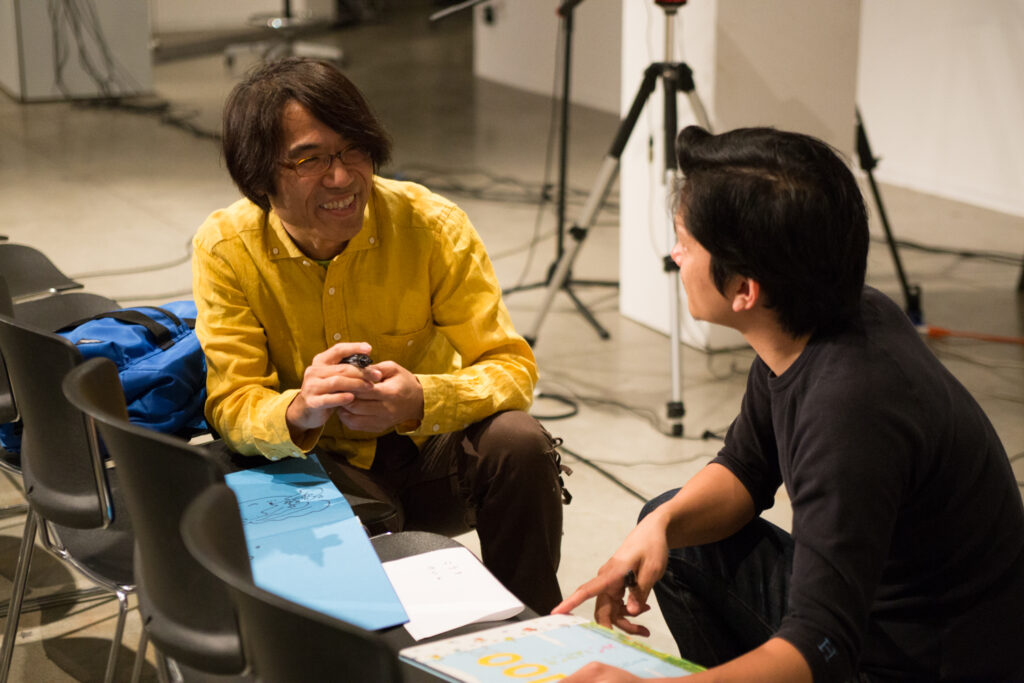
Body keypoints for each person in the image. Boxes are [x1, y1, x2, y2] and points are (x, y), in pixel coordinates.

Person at [553, 126, 1024, 681]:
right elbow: (747, 469)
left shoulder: (850, 411)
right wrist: (658, 527)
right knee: (676, 533)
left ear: (745, 291)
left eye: (686, 241)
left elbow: (822, 644)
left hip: (927, 661)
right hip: (878, 618)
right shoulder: (818, 323)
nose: (674, 254)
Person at [191, 57, 570, 614]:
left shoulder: (430, 225)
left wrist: (422, 398)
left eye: (353, 150)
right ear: (258, 177)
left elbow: (513, 367)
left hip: (429, 460)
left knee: (519, 442)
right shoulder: (227, 247)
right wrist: (298, 410)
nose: (342, 177)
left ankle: (537, 631)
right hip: (319, 468)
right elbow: (231, 402)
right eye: (309, 159)